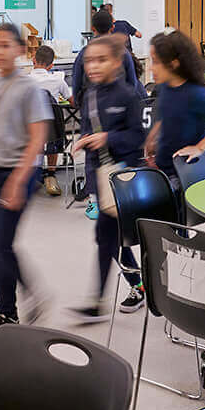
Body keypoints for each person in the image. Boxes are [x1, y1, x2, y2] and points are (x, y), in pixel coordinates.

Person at [0, 22, 51, 329]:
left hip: (19, 171)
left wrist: (17, 181)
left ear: (19, 49)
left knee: (1, 243)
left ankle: (8, 311)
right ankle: (17, 301)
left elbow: (38, 136)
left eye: (5, 45)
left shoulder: (29, 88)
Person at [68, 35, 147, 322]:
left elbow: (138, 137)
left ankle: (133, 289)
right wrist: (85, 141)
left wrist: (107, 138)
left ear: (116, 62)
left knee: (115, 239)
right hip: (101, 179)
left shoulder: (129, 94)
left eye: (101, 60)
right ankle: (115, 294)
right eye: (89, 60)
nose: (93, 66)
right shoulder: (89, 95)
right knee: (107, 238)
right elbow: (90, 134)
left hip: (126, 179)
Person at [144, 31, 205, 179]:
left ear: (174, 64)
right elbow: (168, 115)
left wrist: (199, 148)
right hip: (163, 166)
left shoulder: (194, 94)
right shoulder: (166, 87)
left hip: (183, 172)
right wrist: (152, 138)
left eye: (156, 62)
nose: (151, 68)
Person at [26, 45, 70, 196]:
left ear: (33, 60)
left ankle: (35, 172)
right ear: (51, 65)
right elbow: (72, 101)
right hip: (52, 131)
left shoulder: (24, 80)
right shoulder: (57, 81)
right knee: (53, 130)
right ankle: (51, 173)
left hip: (29, 130)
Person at [70, 8, 138, 103]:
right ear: (113, 27)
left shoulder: (85, 52)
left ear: (93, 28)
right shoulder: (123, 52)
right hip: (119, 104)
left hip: (92, 106)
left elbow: (76, 82)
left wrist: (79, 103)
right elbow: (132, 83)